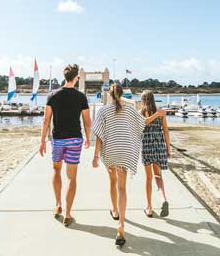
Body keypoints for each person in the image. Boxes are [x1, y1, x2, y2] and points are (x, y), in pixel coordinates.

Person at [91, 83, 164, 246]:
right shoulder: (130, 110)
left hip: (110, 150)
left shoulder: (103, 111)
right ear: (122, 94)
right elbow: (143, 124)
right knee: (122, 188)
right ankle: (121, 225)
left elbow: (99, 135)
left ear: (109, 95)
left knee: (112, 182)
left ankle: (115, 211)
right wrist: (158, 115)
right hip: (125, 150)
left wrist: (95, 156)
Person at [39, 64, 91, 227]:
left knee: (56, 170)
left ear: (65, 77)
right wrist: (88, 138)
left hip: (58, 139)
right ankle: (68, 214)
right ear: (76, 78)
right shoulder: (81, 97)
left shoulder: (52, 95)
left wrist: (42, 141)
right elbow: (87, 121)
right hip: (75, 139)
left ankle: (58, 205)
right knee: (71, 177)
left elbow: (46, 120)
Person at [140, 90, 171, 218]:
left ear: (143, 100)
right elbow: (166, 131)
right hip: (159, 146)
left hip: (147, 146)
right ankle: (163, 198)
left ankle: (149, 207)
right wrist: (168, 148)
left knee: (148, 178)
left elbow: (143, 123)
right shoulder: (161, 112)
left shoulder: (141, 112)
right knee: (158, 176)